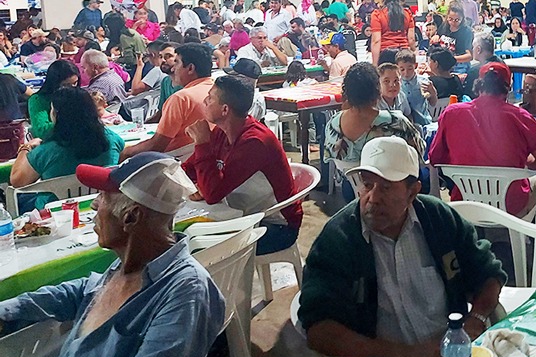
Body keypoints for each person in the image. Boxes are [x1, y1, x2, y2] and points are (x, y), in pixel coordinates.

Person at [0, 152, 225, 357]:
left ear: (132, 217)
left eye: (103, 196)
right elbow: (80, 291)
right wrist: (8, 310)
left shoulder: (187, 293)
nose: (95, 205)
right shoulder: (134, 263)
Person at [300, 136, 505, 357]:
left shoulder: (438, 219)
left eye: (386, 187)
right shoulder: (339, 239)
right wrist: (404, 355)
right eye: (367, 185)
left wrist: (475, 320)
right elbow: (319, 330)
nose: (373, 198)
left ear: (412, 192)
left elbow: (488, 274)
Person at [181, 75, 302, 255]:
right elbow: (188, 170)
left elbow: (213, 194)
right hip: (241, 213)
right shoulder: (222, 132)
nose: (205, 101)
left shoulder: (255, 142)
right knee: (182, 234)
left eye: (210, 98)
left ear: (224, 110)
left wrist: (201, 143)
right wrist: (200, 186)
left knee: (194, 246)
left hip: (275, 225)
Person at [429, 61, 536, 217]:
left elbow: (435, 158)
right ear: (508, 87)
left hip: (465, 202)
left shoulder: (451, 113)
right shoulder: (521, 117)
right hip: (509, 207)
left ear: (479, 84)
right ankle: (522, 235)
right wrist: (524, 160)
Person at [10, 87, 125, 209]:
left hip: (55, 211)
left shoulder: (46, 150)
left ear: (56, 114)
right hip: (99, 205)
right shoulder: (111, 140)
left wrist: (25, 148)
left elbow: (17, 181)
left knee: (20, 199)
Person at [121, 43, 213, 158]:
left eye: (177, 63)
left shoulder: (182, 98)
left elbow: (157, 145)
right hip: (202, 156)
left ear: (190, 68)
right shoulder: (216, 90)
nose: (173, 68)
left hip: (175, 161)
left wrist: (126, 152)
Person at [324, 62, 424, 165]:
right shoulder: (396, 122)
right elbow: (419, 152)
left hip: (347, 179)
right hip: (388, 179)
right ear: (378, 90)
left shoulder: (333, 123)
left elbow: (328, 156)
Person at [27, 59, 80, 139]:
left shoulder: (80, 96)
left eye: (75, 83)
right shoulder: (38, 100)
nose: (72, 88)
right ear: (55, 83)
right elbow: (41, 131)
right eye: (67, 85)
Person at [370, 0, 414, 65]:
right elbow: (411, 39)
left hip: (386, 55)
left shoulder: (377, 14)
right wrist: (413, 54)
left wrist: (375, 64)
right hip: (404, 54)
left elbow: (376, 41)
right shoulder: (407, 13)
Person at [396, 48, 434, 126]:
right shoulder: (396, 84)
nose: (406, 73)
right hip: (405, 126)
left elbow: (433, 103)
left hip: (424, 122)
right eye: (402, 69)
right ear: (397, 68)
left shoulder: (424, 81)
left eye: (410, 68)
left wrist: (433, 93)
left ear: (415, 65)